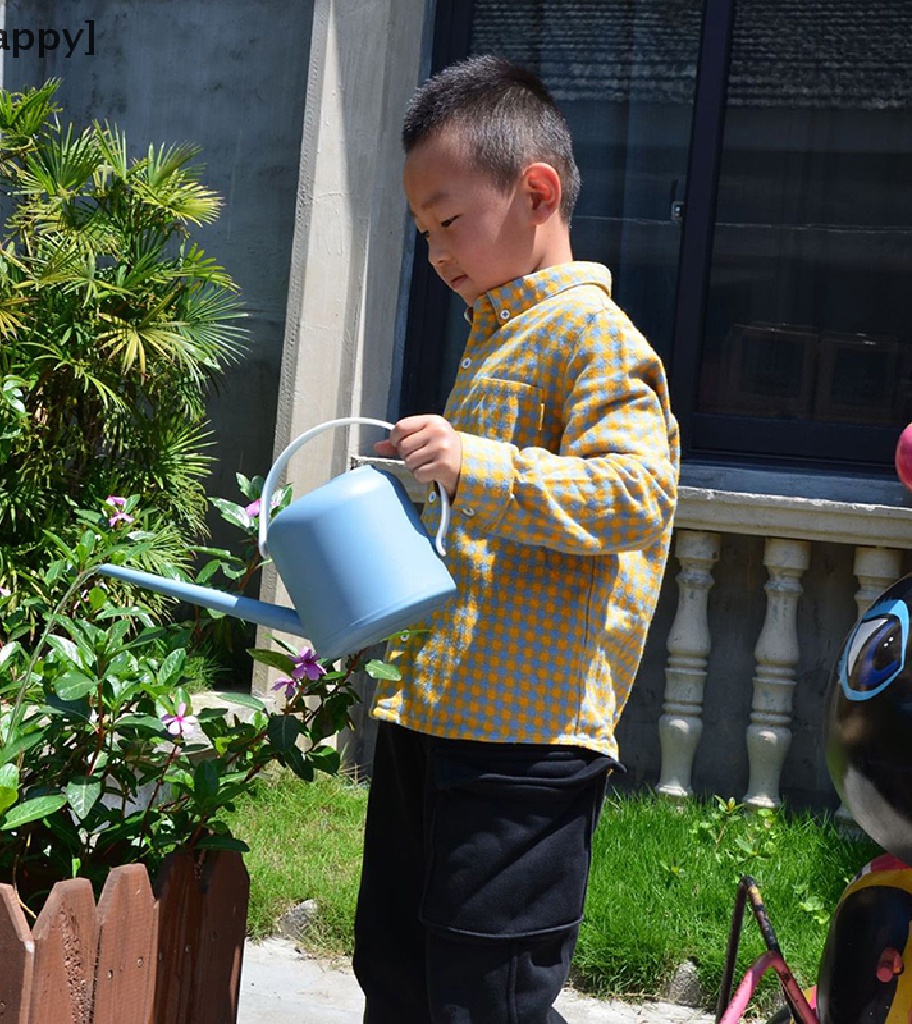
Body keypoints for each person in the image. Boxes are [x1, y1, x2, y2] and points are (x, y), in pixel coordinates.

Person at [352, 54, 680, 1024]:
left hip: (525, 746)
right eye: (422, 231)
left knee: (485, 996)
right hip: (436, 716)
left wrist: (472, 465)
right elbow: (489, 540)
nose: (436, 249)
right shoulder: (491, 336)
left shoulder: (594, 335)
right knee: (399, 972)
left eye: (448, 219)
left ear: (535, 191)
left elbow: (636, 495)